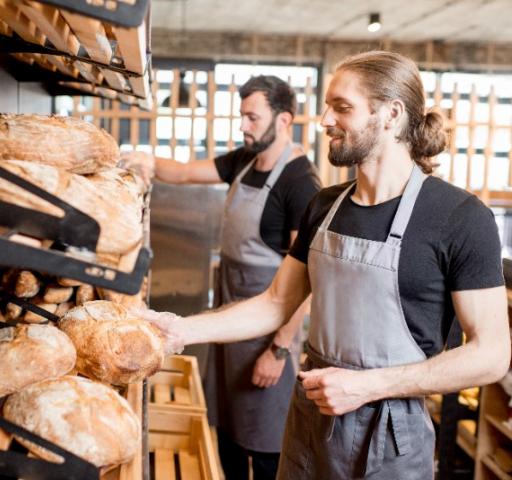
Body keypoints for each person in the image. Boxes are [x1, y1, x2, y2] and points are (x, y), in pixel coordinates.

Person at [138, 51, 510, 479]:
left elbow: (492, 355)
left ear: (390, 114)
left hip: (389, 438)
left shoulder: (460, 218)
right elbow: (277, 303)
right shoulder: (324, 207)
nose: (324, 120)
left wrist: (368, 386)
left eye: (342, 107)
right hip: (309, 424)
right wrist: (182, 329)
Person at [121, 75, 321, 479]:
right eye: (241, 116)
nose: (243, 126)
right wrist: (144, 162)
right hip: (231, 321)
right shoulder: (244, 160)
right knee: (227, 432)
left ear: (284, 120)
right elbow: (183, 174)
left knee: (264, 444)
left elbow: (308, 284)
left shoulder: (300, 183)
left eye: (252, 117)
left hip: (267, 334)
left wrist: (278, 351)